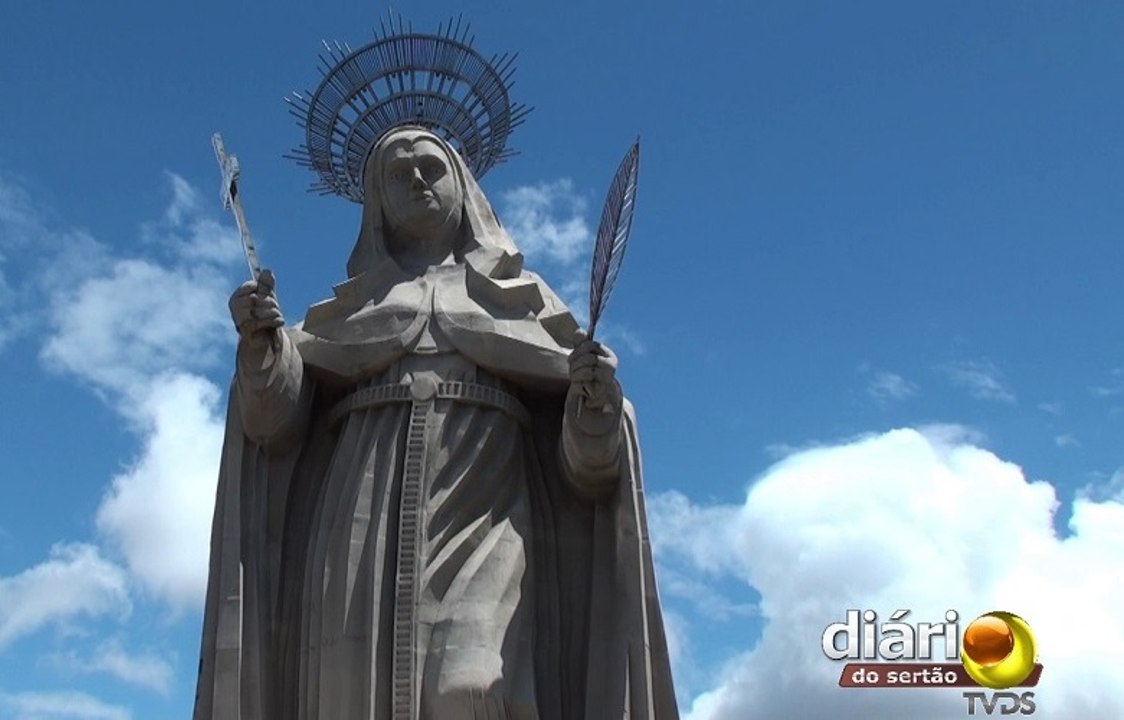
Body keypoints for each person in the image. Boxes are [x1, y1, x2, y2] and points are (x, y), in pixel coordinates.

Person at [194, 126, 678, 720]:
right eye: (398, 175)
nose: (417, 181)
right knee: (350, 688)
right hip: (359, 509)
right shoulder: (347, 312)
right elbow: (271, 425)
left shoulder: (519, 301)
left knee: (472, 686)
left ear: (462, 185)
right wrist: (262, 349)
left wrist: (593, 406)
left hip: (487, 508)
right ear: (377, 201)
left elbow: (588, 471)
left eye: (430, 167)